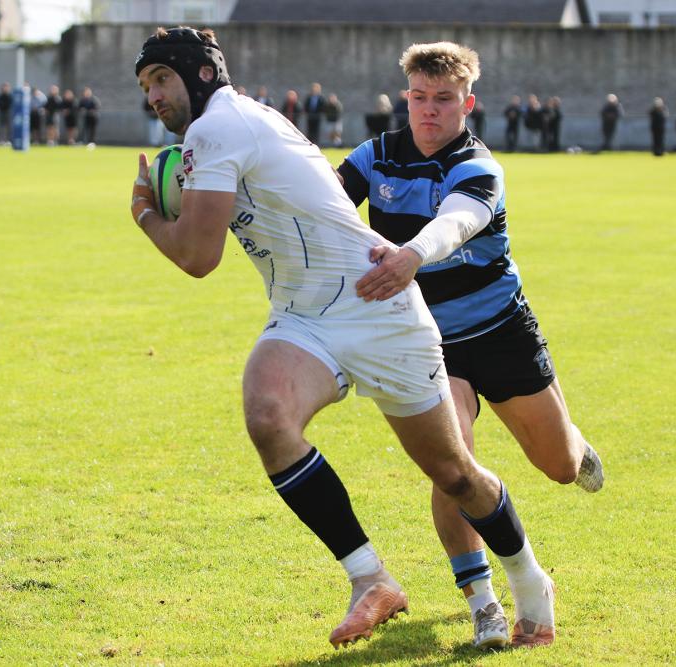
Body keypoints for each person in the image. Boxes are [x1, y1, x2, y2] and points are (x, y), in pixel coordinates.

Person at [132, 26, 557, 652]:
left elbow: (198, 256)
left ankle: (530, 582)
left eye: (161, 80)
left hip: (378, 308)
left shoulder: (219, 126)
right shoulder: (229, 128)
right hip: (305, 315)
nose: (153, 98)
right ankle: (371, 580)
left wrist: (145, 211)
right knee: (268, 412)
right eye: (145, 87)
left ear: (200, 75)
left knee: (454, 472)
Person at [338, 40, 605, 649]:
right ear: (406, 98)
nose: (429, 111)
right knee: (450, 464)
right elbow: (323, 204)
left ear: (468, 103)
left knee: (559, 467)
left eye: (444, 100)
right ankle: (483, 599)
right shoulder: (375, 155)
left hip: (500, 330)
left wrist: (410, 255)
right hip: (428, 340)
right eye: (419, 98)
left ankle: (575, 444)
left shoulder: (478, 164)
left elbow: (456, 222)